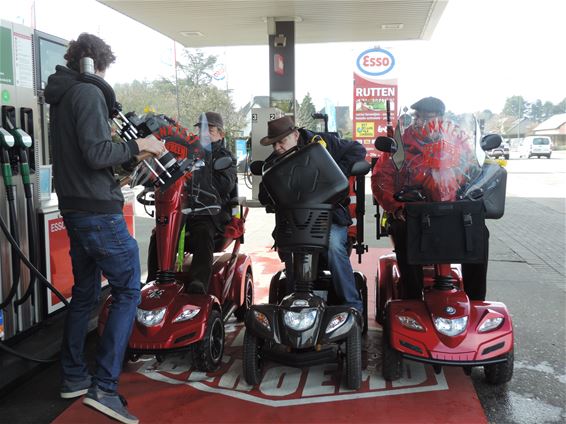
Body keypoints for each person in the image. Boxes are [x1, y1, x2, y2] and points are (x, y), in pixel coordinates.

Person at [45, 33, 165, 424]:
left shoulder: (63, 95)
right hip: (99, 211)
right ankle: (105, 388)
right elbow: (97, 154)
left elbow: (85, 151)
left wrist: (129, 150)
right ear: (97, 63)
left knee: (83, 295)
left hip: (75, 209)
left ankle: (74, 375)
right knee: (128, 289)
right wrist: (139, 146)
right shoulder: (89, 93)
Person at [371, 96, 489, 301]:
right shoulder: (401, 143)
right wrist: (396, 207)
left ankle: (476, 298)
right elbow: (382, 177)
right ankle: (411, 300)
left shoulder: (458, 140)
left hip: (451, 211)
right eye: (418, 116)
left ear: (441, 118)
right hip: (414, 211)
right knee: (402, 231)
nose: (421, 121)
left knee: (480, 233)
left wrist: (475, 190)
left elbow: (473, 169)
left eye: (428, 117)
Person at [258, 116, 365, 313]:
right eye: (274, 144)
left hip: (330, 217)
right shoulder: (274, 163)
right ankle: (292, 308)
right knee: (290, 249)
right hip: (295, 222)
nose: (277, 147)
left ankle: (352, 305)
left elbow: (357, 150)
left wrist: (335, 172)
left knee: (333, 247)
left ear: (296, 134)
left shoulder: (322, 142)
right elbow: (264, 195)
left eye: (282, 141)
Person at [146, 111, 237, 295]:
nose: (204, 133)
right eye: (201, 129)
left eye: (210, 129)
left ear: (221, 134)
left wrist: (195, 178)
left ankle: (199, 283)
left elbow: (224, 185)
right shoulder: (188, 150)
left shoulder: (224, 156)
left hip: (211, 211)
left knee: (203, 231)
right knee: (159, 234)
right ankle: (154, 280)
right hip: (183, 208)